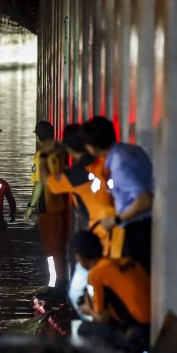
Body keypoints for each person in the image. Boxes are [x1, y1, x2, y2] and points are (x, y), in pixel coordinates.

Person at [42, 124, 117, 314]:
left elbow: (48, 183)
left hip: (99, 234)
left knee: (80, 291)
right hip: (116, 228)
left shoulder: (77, 174)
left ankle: (95, 320)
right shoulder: (102, 163)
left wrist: (43, 156)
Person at [82, 116, 153, 273]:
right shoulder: (133, 150)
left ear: (92, 147)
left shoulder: (119, 165)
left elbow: (145, 200)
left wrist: (116, 220)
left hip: (138, 230)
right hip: (149, 225)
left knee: (138, 277)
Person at [72, 230, 150, 353]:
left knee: (83, 329)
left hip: (139, 330)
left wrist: (88, 310)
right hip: (152, 317)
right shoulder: (119, 261)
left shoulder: (96, 274)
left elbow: (102, 319)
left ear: (80, 257)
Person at [25, 121, 70, 292]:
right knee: (61, 245)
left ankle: (55, 285)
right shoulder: (61, 150)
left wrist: (31, 206)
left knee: (51, 248)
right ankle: (63, 280)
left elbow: (39, 183)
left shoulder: (41, 154)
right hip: (64, 203)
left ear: (37, 136)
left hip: (49, 204)